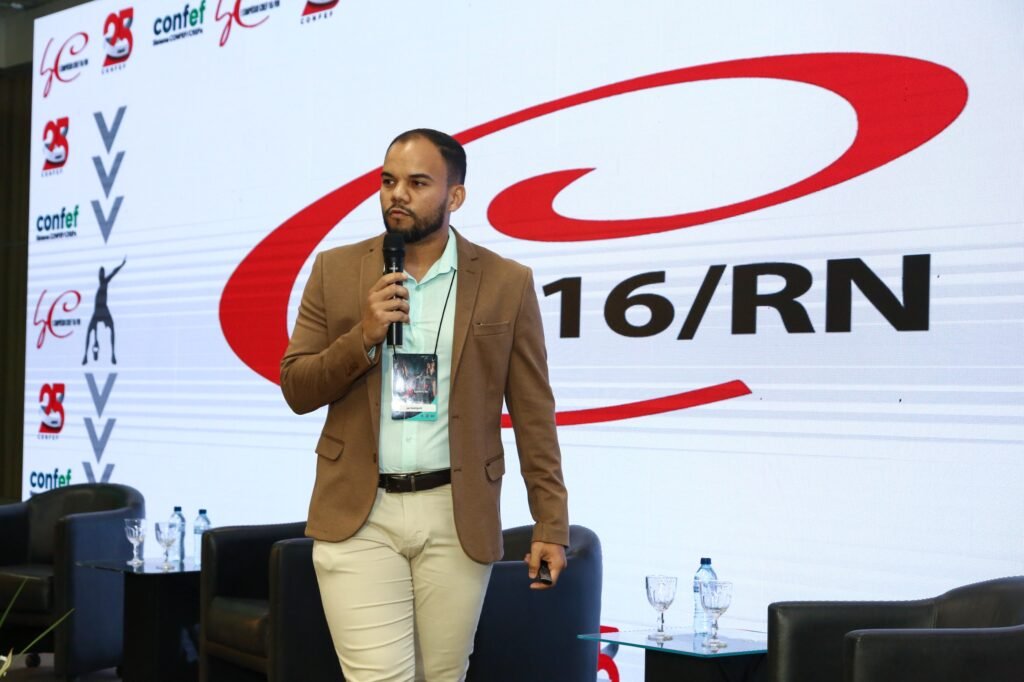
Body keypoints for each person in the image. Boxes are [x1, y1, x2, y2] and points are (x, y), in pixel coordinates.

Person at [280, 128, 569, 682]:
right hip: (359, 514)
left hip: (455, 512)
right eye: (388, 181)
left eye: (417, 183)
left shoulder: (506, 282)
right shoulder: (334, 270)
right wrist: (364, 337)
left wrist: (550, 522)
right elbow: (297, 387)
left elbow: (534, 413)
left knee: (443, 676)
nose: (397, 194)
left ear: (455, 196)